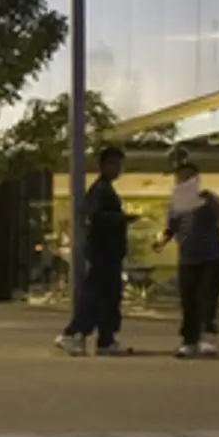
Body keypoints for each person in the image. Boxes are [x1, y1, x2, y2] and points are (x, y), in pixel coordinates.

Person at [55, 145, 133, 357]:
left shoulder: (104, 189)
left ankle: (105, 340)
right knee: (97, 295)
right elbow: (96, 219)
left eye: (120, 164)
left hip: (108, 251)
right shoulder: (101, 190)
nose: (119, 169)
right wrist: (122, 219)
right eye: (115, 164)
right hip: (104, 252)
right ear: (104, 165)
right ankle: (73, 333)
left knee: (108, 297)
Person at [159, 163, 219, 358]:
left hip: (211, 257)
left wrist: (211, 202)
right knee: (188, 299)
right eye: (181, 178)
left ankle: (207, 337)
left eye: (189, 178)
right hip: (188, 258)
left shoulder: (207, 198)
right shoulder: (176, 204)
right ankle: (189, 340)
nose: (184, 182)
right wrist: (162, 241)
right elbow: (172, 227)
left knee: (207, 297)